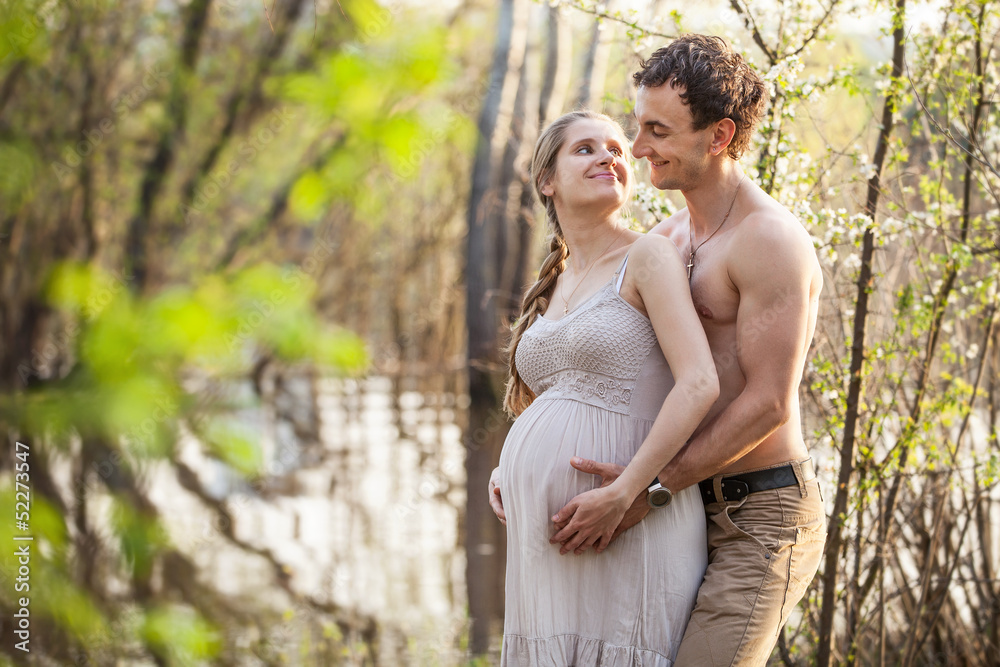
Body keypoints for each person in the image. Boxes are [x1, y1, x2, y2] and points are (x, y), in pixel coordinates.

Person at [540, 34, 828, 666]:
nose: (637, 148)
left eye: (657, 132)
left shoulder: (768, 240)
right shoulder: (669, 237)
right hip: (685, 511)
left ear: (718, 137)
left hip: (762, 515)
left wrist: (646, 491)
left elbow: (767, 405)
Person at [494, 109, 719, 665]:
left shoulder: (648, 256)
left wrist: (625, 495)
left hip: (626, 521)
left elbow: (698, 383)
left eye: (617, 149)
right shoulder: (556, 281)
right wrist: (509, 467)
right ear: (547, 181)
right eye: (586, 149)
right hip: (546, 539)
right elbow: (556, 395)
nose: (610, 157)